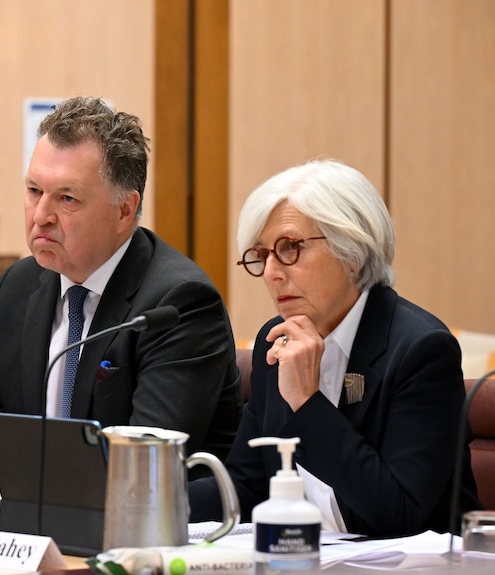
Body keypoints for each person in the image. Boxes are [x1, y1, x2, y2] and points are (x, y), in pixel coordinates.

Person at [0, 96, 242, 486]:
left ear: (125, 210)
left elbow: (142, 476)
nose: (41, 216)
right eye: (34, 191)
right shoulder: (19, 286)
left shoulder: (177, 304)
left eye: (67, 198)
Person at [188, 158, 482, 537]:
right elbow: (247, 486)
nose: (273, 272)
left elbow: (399, 512)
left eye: (290, 248)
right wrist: (143, 504)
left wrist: (307, 403)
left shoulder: (421, 350)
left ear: (353, 251)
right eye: (263, 255)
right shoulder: (275, 340)